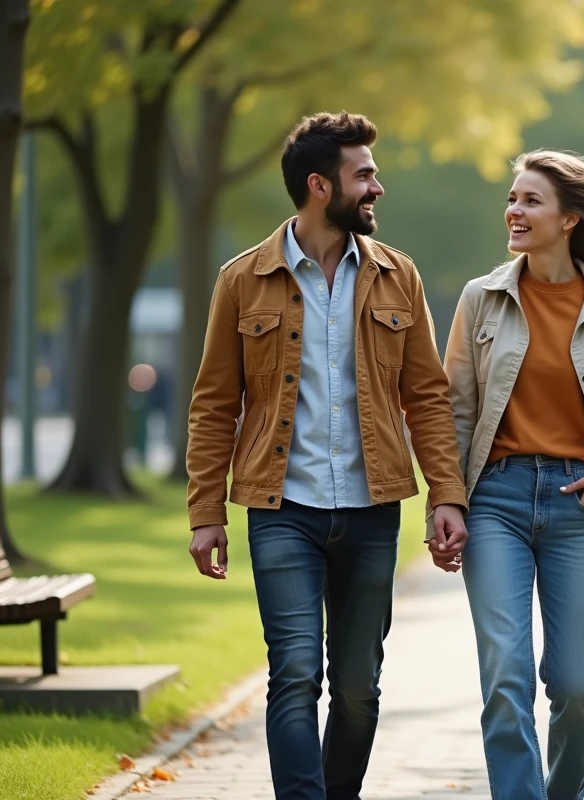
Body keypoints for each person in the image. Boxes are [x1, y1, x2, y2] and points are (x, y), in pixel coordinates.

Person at [185, 111, 468, 800]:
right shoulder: (242, 279)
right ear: (320, 186)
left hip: (372, 509)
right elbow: (214, 404)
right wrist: (205, 512)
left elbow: (427, 397)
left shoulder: (398, 275)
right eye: (363, 175)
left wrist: (447, 494)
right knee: (294, 674)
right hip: (281, 508)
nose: (377, 187)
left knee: (358, 687)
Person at [436, 149, 584, 800]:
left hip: (581, 505)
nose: (514, 210)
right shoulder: (481, 299)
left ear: (569, 218)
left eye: (531, 200)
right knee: (506, 676)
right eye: (513, 198)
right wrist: (446, 501)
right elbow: (454, 409)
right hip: (495, 500)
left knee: (579, 689)